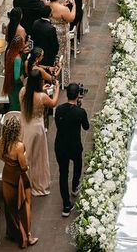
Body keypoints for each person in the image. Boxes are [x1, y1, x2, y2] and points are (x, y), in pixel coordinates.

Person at [0, 115, 38, 247]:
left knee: (10, 206)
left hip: (6, 176)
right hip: (19, 178)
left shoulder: (1, 140)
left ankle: (12, 233)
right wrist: (27, 165)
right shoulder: (19, 146)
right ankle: (27, 236)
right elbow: (23, 166)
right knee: (25, 205)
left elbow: (1, 157)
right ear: (17, 130)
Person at [20, 70, 59, 196]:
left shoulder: (23, 92)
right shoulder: (42, 97)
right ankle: (37, 184)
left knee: (26, 154)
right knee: (38, 157)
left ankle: (24, 182)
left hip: (25, 126)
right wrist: (57, 89)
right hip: (37, 129)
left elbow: (31, 94)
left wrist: (41, 88)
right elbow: (53, 104)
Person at [54, 83, 90, 217]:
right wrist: (79, 110)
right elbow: (86, 127)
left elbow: (58, 124)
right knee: (77, 165)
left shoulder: (59, 109)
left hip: (61, 145)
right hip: (74, 145)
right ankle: (75, 186)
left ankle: (66, 205)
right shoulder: (80, 112)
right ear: (78, 95)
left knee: (63, 173)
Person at [48, 0, 75, 88]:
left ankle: (54, 77)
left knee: (55, 55)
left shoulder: (48, 5)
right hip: (62, 34)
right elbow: (71, 18)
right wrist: (74, 6)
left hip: (52, 33)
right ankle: (64, 79)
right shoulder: (63, 9)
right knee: (63, 55)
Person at [3, 36, 26, 111]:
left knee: (12, 102)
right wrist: (22, 80)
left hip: (10, 83)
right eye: (23, 43)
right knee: (17, 105)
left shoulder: (9, 52)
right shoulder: (17, 59)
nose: (24, 44)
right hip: (17, 87)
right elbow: (17, 77)